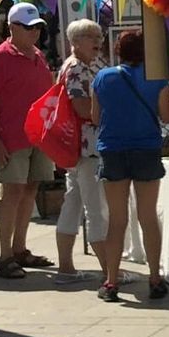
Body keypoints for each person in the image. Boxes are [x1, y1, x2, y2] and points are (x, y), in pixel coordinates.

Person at [91, 29, 169, 303]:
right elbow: (166, 115)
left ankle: (111, 281)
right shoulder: (156, 78)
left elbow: (95, 116)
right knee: (148, 217)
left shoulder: (103, 77)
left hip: (113, 149)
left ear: (119, 51)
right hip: (146, 148)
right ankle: (155, 277)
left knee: (117, 219)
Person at [0, 2, 57, 279]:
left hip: (38, 137)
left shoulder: (38, 56)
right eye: (29, 28)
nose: (35, 33)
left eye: (37, 28)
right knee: (12, 193)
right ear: (12, 28)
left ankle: (20, 248)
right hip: (11, 137)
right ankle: (5, 256)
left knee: (30, 189)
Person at [54, 19, 114, 285]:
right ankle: (108, 271)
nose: (97, 40)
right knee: (96, 208)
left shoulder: (95, 63)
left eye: (98, 35)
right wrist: (111, 113)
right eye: (91, 36)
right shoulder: (76, 68)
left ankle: (66, 267)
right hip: (86, 147)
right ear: (75, 42)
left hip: (86, 147)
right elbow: (80, 107)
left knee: (74, 202)